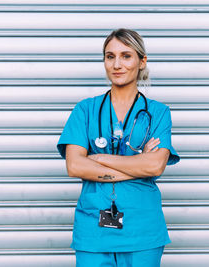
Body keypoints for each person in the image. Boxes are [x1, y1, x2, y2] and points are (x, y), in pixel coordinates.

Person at [57, 28, 180, 267]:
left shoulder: (158, 113)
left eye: (126, 56)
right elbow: (74, 165)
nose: (117, 64)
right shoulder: (85, 110)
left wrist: (97, 158)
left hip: (142, 230)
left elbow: (155, 165)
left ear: (141, 62)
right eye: (109, 56)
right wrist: (137, 165)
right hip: (94, 230)